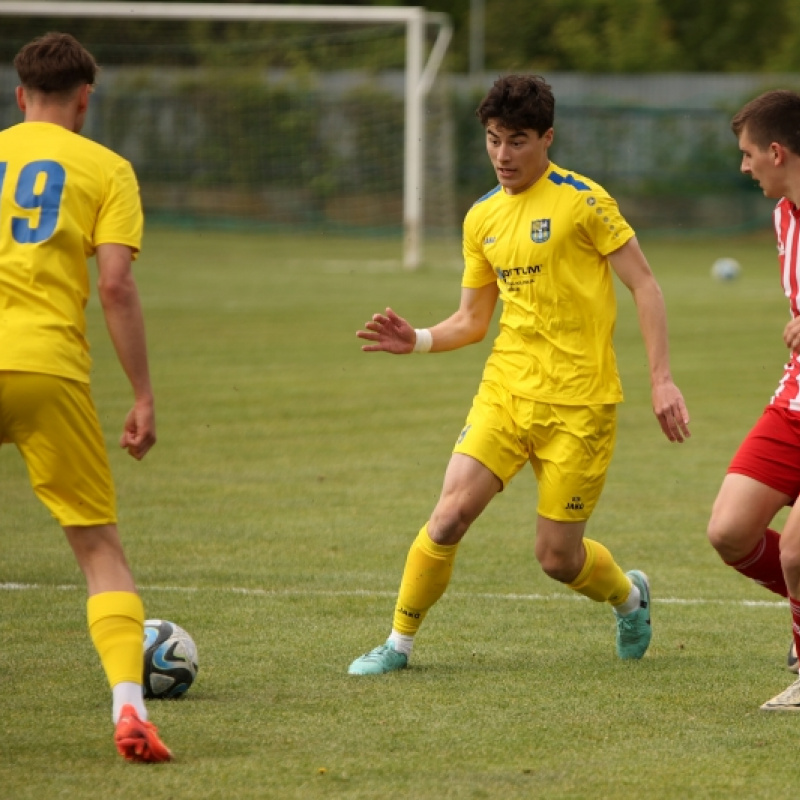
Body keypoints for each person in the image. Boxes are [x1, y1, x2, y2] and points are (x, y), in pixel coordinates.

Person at [348, 74, 691, 677]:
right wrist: (421, 339)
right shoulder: (481, 217)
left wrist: (661, 378)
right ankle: (397, 644)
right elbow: (473, 319)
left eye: (517, 141)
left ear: (547, 138)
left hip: (581, 403)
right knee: (449, 515)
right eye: (493, 140)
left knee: (557, 559)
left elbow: (645, 285)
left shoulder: (584, 202)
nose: (503, 155)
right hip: (506, 391)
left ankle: (629, 597)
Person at [0, 33, 171, 761]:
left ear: (18, 95)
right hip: (48, 367)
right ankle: (129, 712)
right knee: (100, 551)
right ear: (84, 98)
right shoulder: (106, 169)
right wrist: (142, 395)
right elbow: (114, 285)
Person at [707, 89, 800, 711]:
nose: (744, 168)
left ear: (775, 151)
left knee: (795, 550)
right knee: (731, 531)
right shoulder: (782, 215)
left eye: (747, 155)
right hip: (798, 391)